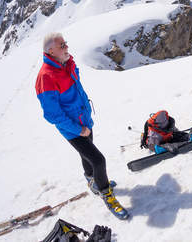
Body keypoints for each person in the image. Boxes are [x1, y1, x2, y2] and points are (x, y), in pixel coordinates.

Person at [35, 32, 129, 220]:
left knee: (86, 155)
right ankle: (106, 193)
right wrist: (78, 130)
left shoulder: (67, 63)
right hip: (72, 128)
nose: (66, 48)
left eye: (66, 44)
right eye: (62, 46)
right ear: (51, 51)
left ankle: (92, 180)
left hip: (83, 120)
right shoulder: (46, 77)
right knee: (98, 160)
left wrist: (84, 123)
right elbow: (53, 115)